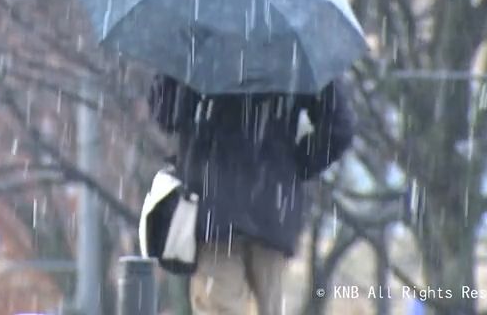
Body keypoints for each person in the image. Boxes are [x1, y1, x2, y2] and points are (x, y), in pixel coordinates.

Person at [148, 74, 355, 315]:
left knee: (219, 306)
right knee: (269, 306)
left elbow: (166, 114)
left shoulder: (201, 45)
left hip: (214, 208)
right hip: (273, 210)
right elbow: (339, 127)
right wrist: (294, 164)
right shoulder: (295, 49)